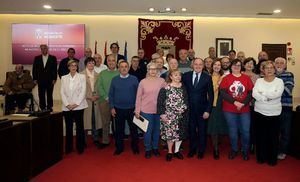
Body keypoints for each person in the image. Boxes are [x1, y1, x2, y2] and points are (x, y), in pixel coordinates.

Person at [219, 59, 253, 161]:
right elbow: (223, 93)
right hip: (229, 109)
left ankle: (245, 150)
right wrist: (235, 102)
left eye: (238, 65)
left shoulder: (246, 78)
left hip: (244, 109)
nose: (236, 67)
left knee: (245, 131)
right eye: (234, 65)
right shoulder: (226, 78)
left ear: (241, 66)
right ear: (231, 66)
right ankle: (234, 149)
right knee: (233, 131)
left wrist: (243, 103)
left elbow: (251, 93)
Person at [252, 60, 284, 166]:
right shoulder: (259, 81)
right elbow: (254, 93)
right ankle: (261, 157)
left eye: (271, 68)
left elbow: (277, 94)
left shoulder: (279, 81)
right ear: (263, 70)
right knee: (261, 136)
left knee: (273, 137)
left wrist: (263, 94)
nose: (269, 70)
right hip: (260, 112)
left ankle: (272, 159)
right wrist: (267, 97)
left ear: (274, 69)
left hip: (274, 113)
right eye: (267, 68)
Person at [182, 58, 214, 159]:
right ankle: (192, 149)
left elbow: (211, 95)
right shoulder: (186, 76)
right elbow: (182, 92)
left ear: (203, 65)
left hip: (202, 110)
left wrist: (208, 111)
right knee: (191, 130)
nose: (198, 66)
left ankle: (201, 151)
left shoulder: (207, 77)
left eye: (200, 64)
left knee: (202, 131)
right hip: (189, 109)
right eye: (196, 64)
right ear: (192, 65)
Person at [135, 62, 165, 159]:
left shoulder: (162, 81)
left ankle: (155, 148)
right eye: (151, 69)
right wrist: (137, 110)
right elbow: (138, 97)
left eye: (155, 69)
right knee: (147, 131)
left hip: (158, 110)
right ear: (148, 70)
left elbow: (166, 95)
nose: (153, 71)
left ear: (157, 70)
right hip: (146, 110)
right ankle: (148, 149)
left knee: (157, 130)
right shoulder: (143, 82)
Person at [157, 69, 188, 161]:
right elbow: (160, 102)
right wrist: (162, 114)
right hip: (169, 115)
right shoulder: (165, 88)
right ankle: (170, 151)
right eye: (175, 75)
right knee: (170, 134)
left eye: (179, 75)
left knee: (180, 133)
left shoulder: (183, 87)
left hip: (181, 115)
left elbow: (186, 100)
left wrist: (184, 109)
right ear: (170, 77)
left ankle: (177, 151)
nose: (178, 77)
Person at [109, 61, 139, 155]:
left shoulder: (134, 79)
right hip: (118, 109)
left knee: (134, 130)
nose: (124, 68)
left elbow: (138, 94)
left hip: (132, 109)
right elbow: (111, 94)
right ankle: (119, 147)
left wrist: (137, 108)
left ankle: (135, 147)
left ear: (128, 68)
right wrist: (112, 107)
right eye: (122, 67)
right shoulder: (114, 79)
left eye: (126, 66)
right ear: (119, 68)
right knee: (119, 130)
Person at [61, 60, 88, 154]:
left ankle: (80, 147)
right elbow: (62, 92)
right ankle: (68, 148)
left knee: (79, 127)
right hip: (67, 107)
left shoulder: (82, 77)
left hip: (79, 106)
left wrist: (76, 104)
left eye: (75, 65)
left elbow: (83, 91)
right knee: (68, 128)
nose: (73, 67)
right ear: (68, 67)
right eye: (71, 65)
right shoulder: (63, 78)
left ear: (77, 67)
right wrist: (67, 104)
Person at [95, 54, 119, 149]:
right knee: (105, 122)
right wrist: (106, 97)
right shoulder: (102, 73)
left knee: (117, 123)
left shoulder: (119, 73)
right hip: (104, 100)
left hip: (117, 102)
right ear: (107, 62)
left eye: (113, 60)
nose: (111, 62)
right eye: (109, 60)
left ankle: (118, 140)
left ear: (116, 62)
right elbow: (99, 86)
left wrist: (114, 98)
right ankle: (105, 141)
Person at [207, 59, 227, 160]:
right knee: (214, 127)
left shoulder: (225, 77)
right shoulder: (208, 77)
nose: (217, 66)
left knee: (221, 126)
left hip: (223, 104)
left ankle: (219, 144)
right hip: (214, 104)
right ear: (212, 66)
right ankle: (215, 149)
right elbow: (210, 92)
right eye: (215, 64)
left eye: (219, 65)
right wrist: (218, 83)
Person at [275, 57, 294, 160]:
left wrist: (273, 92)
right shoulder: (271, 75)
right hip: (273, 108)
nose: (279, 64)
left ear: (285, 65)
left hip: (285, 107)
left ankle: (283, 151)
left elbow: (288, 90)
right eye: (277, 62)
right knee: (274, 131)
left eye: (281, 63)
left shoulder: (289, 75)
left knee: (285, 132)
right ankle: (275, 150)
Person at [81, 57, 102, 148]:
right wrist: (88, 97)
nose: (91, 64)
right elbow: (79, 90)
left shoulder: (98, 74)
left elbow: (100, 87)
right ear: (86, 64)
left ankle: (96, 139)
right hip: (86, 101)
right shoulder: (81, 75)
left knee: (95, 120)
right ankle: (84, 140)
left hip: (96, 100)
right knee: (85, 121)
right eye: (89, 63)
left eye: (93, 63)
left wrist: (98, 95)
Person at [32, 44, 57, 111]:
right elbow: (34, 69)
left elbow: (54, 69)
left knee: (49, 94)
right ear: (41, 50)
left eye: (45, 48)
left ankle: (49, 107)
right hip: (40, 79)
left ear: (47, 49)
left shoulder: (53, 58)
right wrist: (34, 78)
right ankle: (42, 107)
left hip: (50, 79)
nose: (43, 50)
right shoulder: (37, 58)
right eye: (42, 49)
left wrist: (54, 78)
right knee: (41, 94)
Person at [243, 57, 260, 153]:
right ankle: (244, 144)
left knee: (252, 126)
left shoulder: (257, 77)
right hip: (242, 105)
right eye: (247, 63)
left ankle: (252, 144)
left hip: (253, 105)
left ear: (254, 66)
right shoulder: (239, 75)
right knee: (243, 126)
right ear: (244, 65)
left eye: (251, 63)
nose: (249, 65)